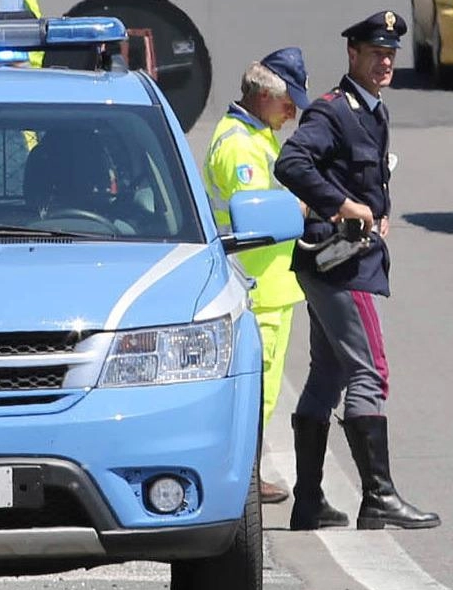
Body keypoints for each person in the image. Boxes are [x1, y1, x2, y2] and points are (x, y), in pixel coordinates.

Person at [275, 10, 441, 531]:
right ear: (353, 55)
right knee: (371, 372)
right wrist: (344, 206)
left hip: (345, 260)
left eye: (391, 55)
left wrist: (378, 209)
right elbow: (292, 163)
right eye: (375, 54)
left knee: (327, 374)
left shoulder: (373, 110)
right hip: (342, 263)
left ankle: (308, 501)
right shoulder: (332, 111)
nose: (385, 62)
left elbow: (366, 174)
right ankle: (380, 497)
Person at [203, 49, 347, 524]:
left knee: (263, 388)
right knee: (256, 389)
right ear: (263, 95)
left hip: (269, 284)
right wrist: (311, 206)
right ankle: (246, 474)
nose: (294, 111)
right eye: (288, 102)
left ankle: (251, 469)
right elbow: (256, 211)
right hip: (254, 286)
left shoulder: (255, 136)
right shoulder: (241, 146)